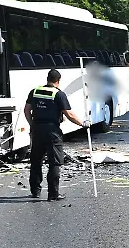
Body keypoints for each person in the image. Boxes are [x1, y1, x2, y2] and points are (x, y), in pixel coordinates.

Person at [24, 69, 90, 201]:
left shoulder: (34, 91)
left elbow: (27, 110)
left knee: (36, 161)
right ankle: (53, 193)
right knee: (54, 162)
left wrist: (32, 124)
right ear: (58, 80)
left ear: (47, 79)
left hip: (37, 129)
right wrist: (83, 124)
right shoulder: (59, 94)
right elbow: (69, 114)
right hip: (52, 131)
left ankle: (35, 191)